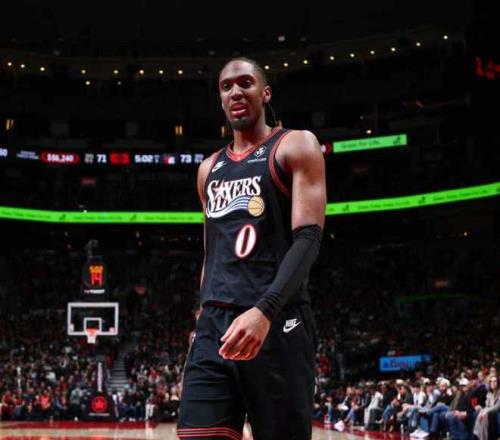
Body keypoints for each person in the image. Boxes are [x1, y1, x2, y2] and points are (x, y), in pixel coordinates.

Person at [177, 57, 326, 440]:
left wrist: (264, 311)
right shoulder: (209, 169)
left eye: (245, 83)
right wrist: (202, 317)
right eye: (226, 86)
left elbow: (308, 239)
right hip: (215, 328)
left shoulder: (295, 144)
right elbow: (212, 254)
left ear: (265, 92)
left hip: (277, 321)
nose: (235, 92)